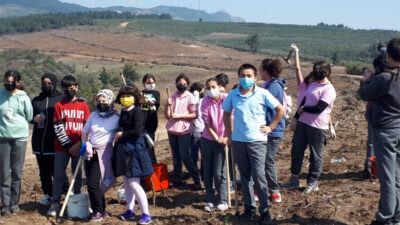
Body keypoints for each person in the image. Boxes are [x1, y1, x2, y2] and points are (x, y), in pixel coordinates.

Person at [222, 64, 284, 224]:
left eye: (249, 75)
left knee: (259, 176)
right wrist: (229, 135)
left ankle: (265, 212)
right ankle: (249, 210)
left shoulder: (262, 93)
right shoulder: (233, 95)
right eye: (243, 75)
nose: (246, 78)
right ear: (238, 77)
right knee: (245, 177)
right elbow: (226, 113)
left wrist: (271, 127)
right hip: (238, 141)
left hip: (257, 141)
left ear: (255, 77)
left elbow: (280, 109)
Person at [358, 38, 400, 225]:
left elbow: (364, 94)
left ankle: (384, 217)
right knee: (397, 175)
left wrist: (366, 80)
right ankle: (396, 217)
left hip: (385, 132)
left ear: (388, 56)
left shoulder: (385, 78)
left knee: (387, 178)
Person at [281, 59, 336, 194]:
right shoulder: (313, 85)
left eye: (318, 72)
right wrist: (295, 118)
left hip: (317, 127)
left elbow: (319, 108)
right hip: (303, 123)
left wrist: (304, 109)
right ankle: (294, 179)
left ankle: (312, 182)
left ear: (326, 73)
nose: (315, 74)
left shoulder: (329, 89)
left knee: (315, 155)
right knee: (296, 151)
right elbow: (304, 101)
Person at [47, 75, 91, 216]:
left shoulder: (83, 106)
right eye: (66, 88)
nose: (69, 91)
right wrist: (69, 146)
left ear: (76, 87)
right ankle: (55, 202)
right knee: (59, 174)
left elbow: (87, 128)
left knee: (77, 175)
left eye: (71, 88)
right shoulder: (59, 106)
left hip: (79, 146)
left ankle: (76, 199)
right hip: (62, 147)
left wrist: (78, 145)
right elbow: (58, 128)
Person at [113, 85, 153, 224]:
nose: (125, 99)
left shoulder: (138, 111)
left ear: (135, 98)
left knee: (134, 183)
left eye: (128, 96)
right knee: (126, 182)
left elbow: (138, 131)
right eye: (123, 96)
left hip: (135, 149)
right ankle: (130, 211)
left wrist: (121, 133)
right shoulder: (124, 111)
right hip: (124, 149)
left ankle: (146, 214)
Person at [81, 89, 119, 222]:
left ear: (110, 101)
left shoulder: (116, 118)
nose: (101, 103)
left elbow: (121, 133)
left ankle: (99, 211)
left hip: (105, 153)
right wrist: (84, 145)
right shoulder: (93, 115)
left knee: (98, 183)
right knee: (93, 182)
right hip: (91, 152)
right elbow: (85, 132)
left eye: (104, 101)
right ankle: (100, 210)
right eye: (99, 101)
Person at [0, 70, 33, 216]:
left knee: (17, 173)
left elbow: (29, 115)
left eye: (12, 81)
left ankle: (14, 203)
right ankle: (5, 205)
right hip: (3, 137)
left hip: (20, 137)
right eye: (7, 81)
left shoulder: (23, 97)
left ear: (18, 82)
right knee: (3, 173)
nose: (9, 84)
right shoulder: (0, 95)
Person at [31, 73, 66, 206]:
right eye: (44, 82)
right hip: (39, 142)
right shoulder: (36, 100)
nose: (46, 85)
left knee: (57, 171)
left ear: (54, 84)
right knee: (44, 171)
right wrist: (34, 120)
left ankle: (66, 193)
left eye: (49, 83)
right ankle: (48, 195)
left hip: (55, 142)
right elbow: (29, 116)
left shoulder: (61, 99)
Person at [164, 74, 201, 189]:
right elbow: (168, 116)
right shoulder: (172, 97)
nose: (182, 86)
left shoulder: (190, 97)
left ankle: (196, 179)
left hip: (185, 130)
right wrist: (167, 106)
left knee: (185, 155)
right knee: (176, 156)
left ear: (188, 85)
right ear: (176, 84)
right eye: (180, 84)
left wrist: (179, 116)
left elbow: (194, 115)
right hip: (172, 130)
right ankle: (177, 178)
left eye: (184, 84)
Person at [259, 59, 286, 203]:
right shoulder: (267, 84)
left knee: (268, 160)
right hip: (266, 128)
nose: (259, 72)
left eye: (260, 69)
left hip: (273, 130)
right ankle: (261, 188)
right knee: (261, 160)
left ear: (266, 71)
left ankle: (274, 190)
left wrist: (271, 127)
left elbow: (277, 109)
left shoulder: (274, 87)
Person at [201, 78, 228, 212]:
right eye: (208, 87)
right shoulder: (205, 101)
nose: (211, 90)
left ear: (219, 86)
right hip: (208, 139)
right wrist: (217, 138)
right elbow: (207, 123)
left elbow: (232, 118)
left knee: (219, 172)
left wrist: (227, 137)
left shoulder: (227, 99)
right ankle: (210, 199)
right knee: (208, 171)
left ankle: (223, 199)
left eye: (213, 86)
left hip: (224, 140)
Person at [141, 74, 160, 164]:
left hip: (151, 126)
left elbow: (155, 103)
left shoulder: (156, 94)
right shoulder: (140, 94)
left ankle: (153, 167)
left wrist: (143, 99)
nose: (151, 84)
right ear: (143, 83)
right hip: (141, 127)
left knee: (150, 148)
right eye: (148, 83)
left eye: (152, 82)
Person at [189, 82, 205, 177]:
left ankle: (202, 172)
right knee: (194, 154)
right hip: (196, 130)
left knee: (202, 154)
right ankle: (196, 173)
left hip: (203, 130)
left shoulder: (203, 100)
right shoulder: (194, 101)